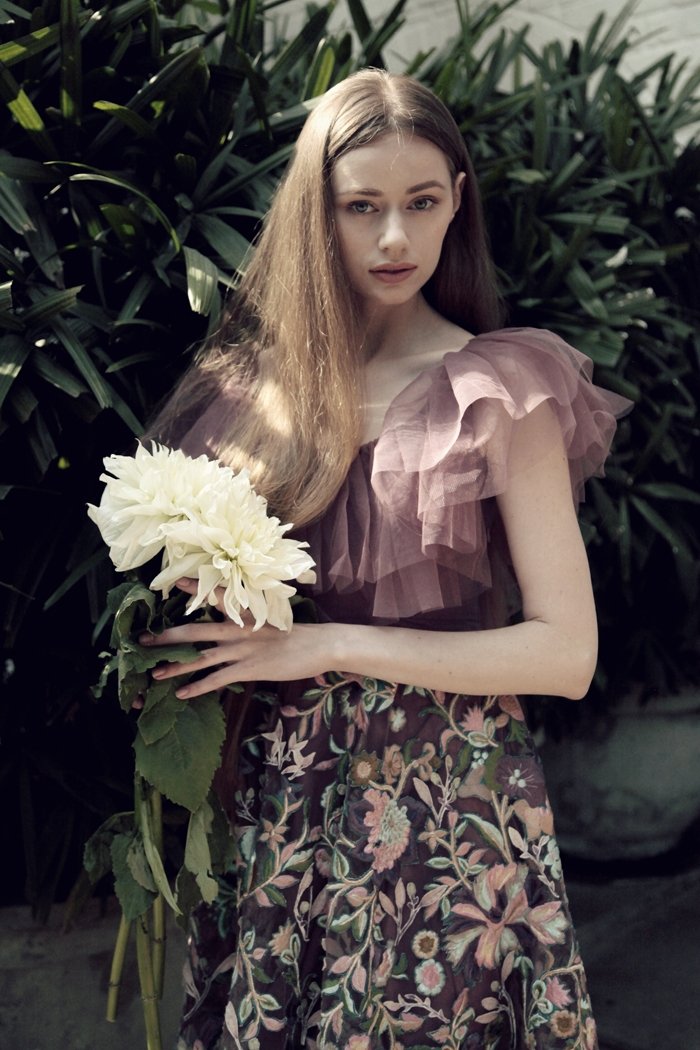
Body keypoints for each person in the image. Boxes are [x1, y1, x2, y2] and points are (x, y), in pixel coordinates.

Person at [143, 69, 630, 1050]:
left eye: (421, 202)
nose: (395, 237)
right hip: (280, 799)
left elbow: (565, 653)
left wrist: (326, 645)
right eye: (362, 207)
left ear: (458, 200)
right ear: (315, 213)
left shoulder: (497, 388)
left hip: (444, 804)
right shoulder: (249, 395)